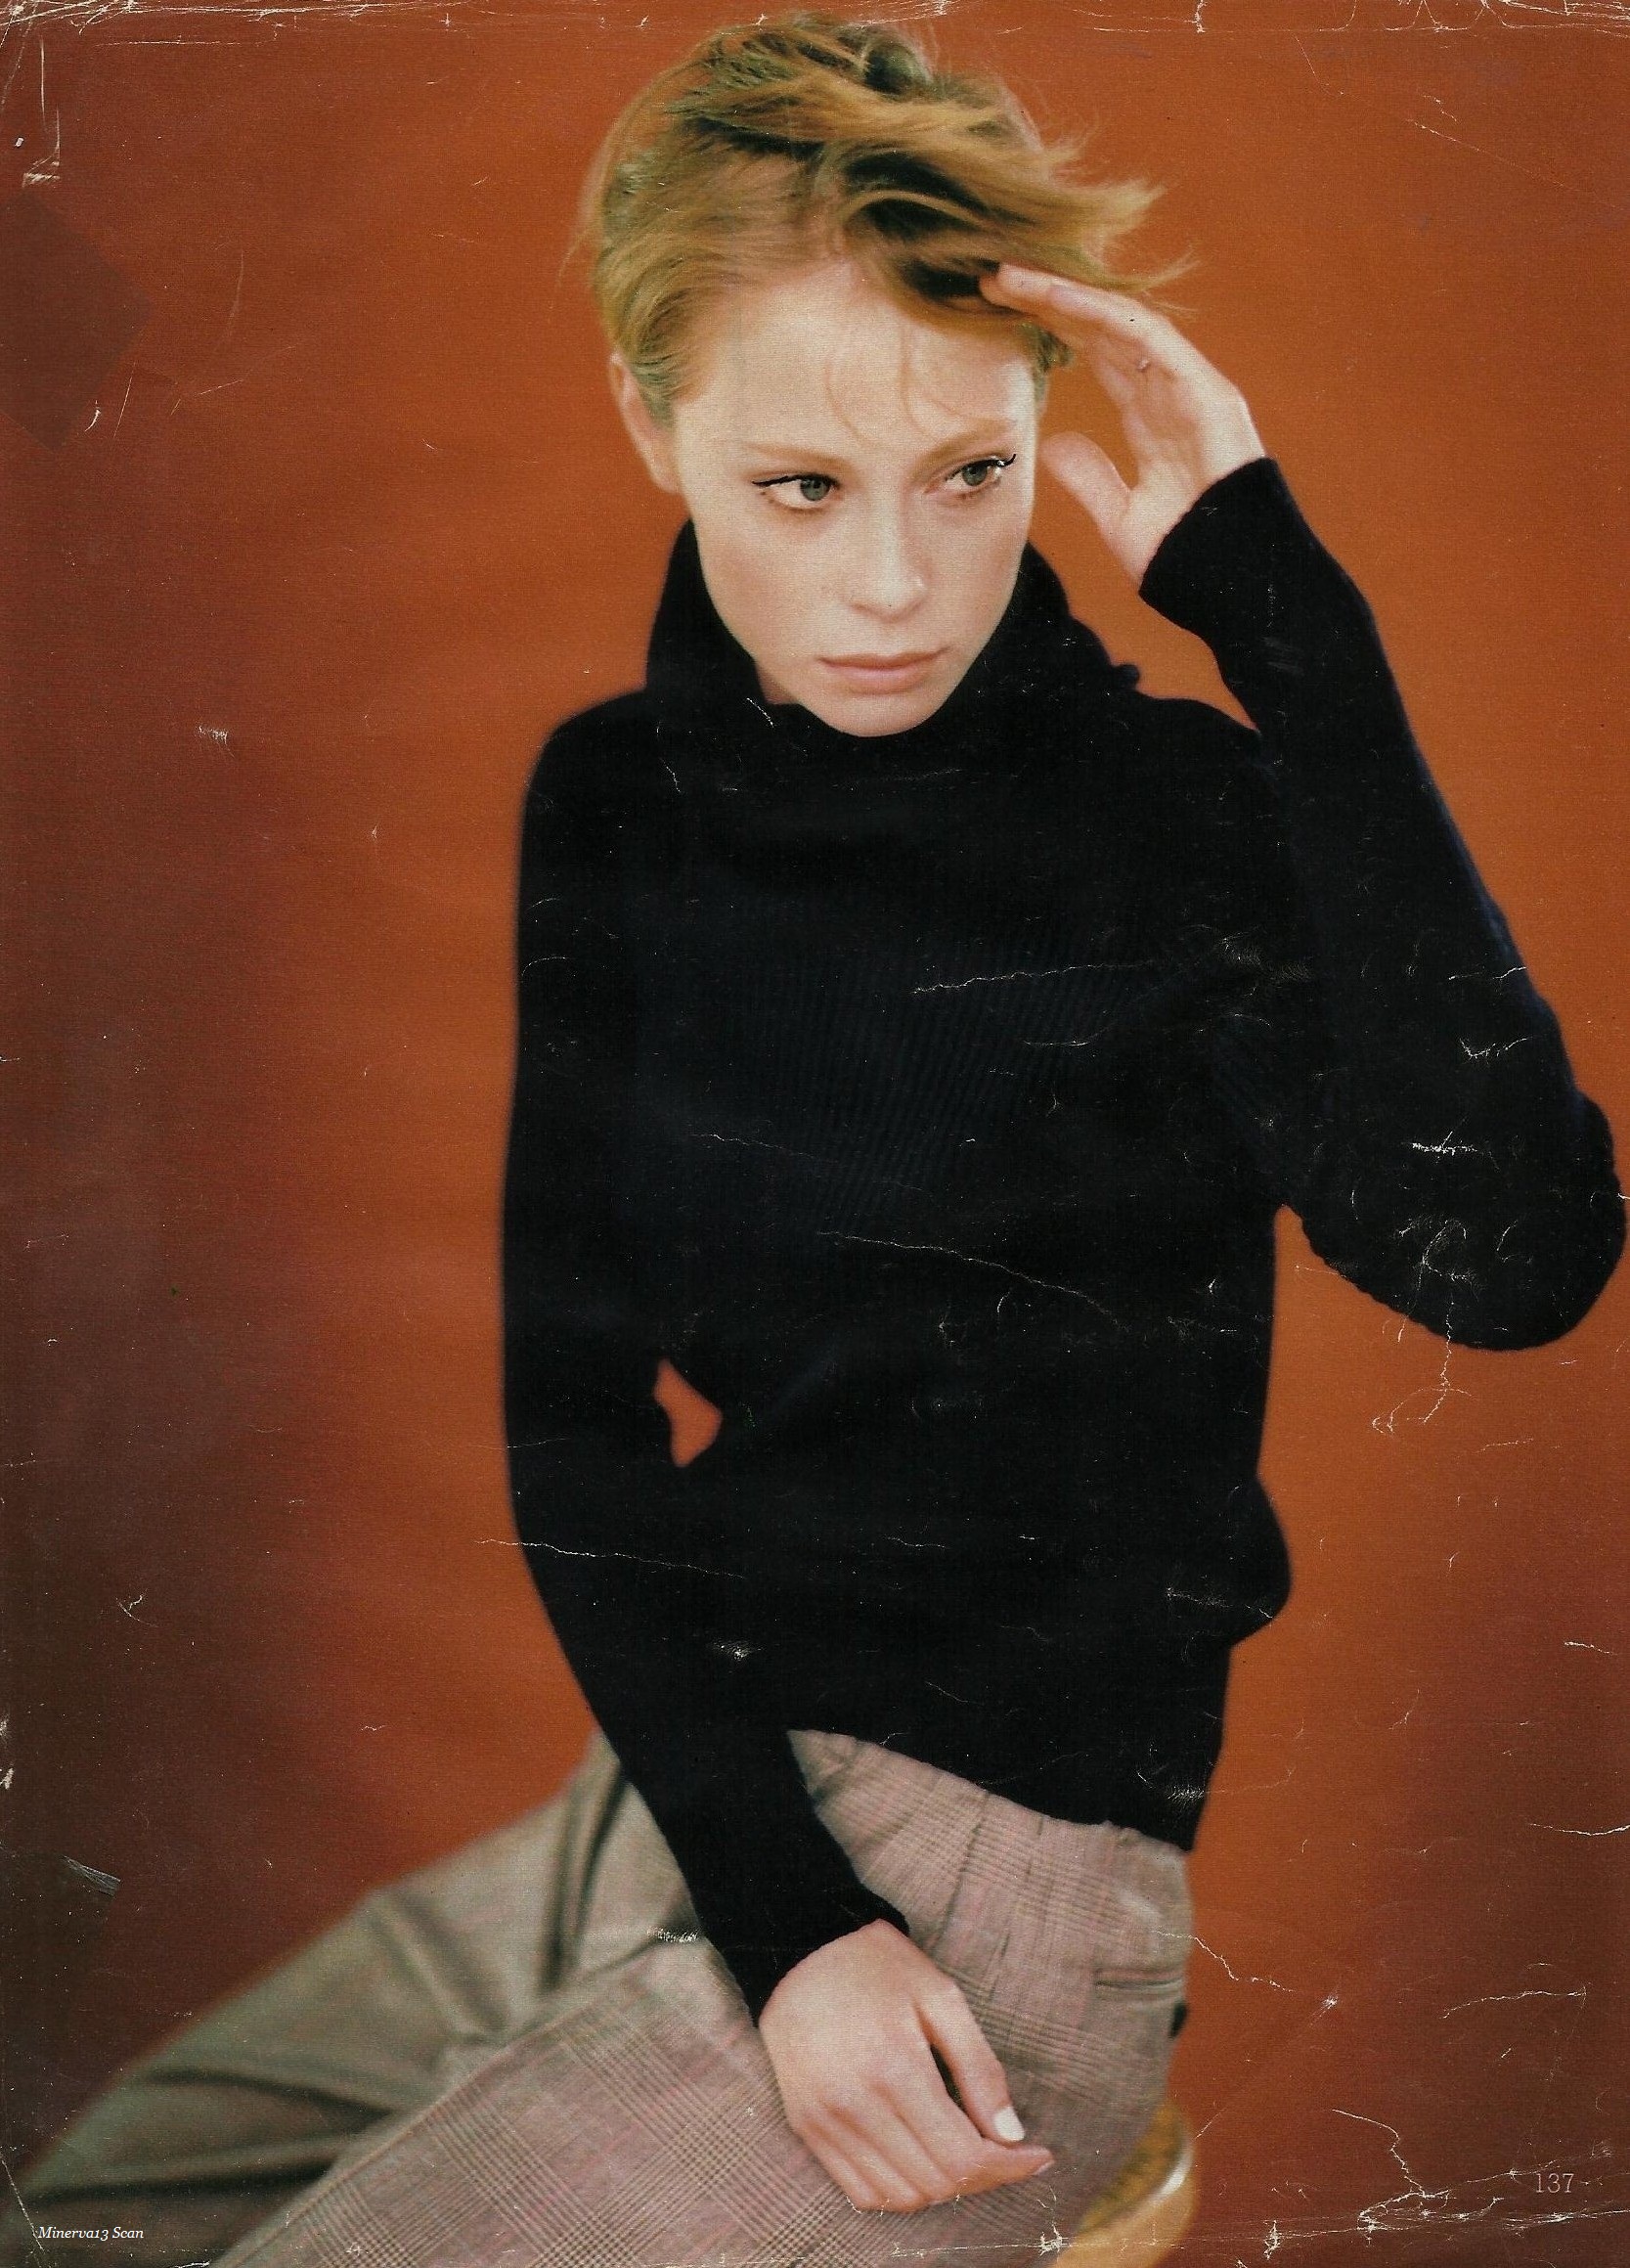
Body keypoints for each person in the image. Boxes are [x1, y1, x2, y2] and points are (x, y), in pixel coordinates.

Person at [6, 15, 1622, 2267]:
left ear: (1042, 418)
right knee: (77, 2210)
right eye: (801, 486)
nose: (895, 585)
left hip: (986, 1891)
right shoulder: (612, 798)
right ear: (649, 420)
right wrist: (772, 1912)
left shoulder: (1176, 820)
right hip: (675, 1808)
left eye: (969, 471)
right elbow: (571, 1423)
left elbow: (1520, 1260)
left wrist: (1295, 620)